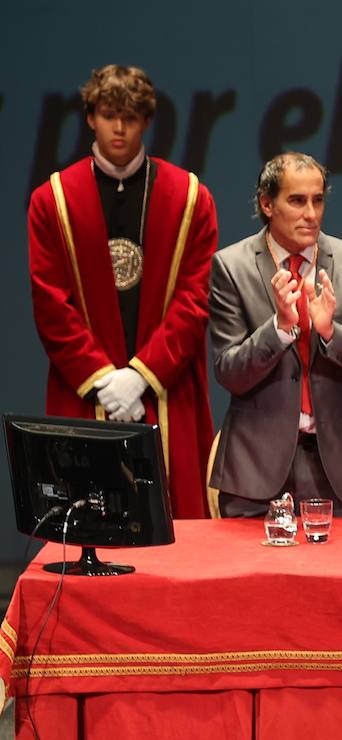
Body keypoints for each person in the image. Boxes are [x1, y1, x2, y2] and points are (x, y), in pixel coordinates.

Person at [27, 64, 218, 518]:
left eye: (130, 117)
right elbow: (51, 303)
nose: (119, 127)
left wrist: (141, 376)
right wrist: (104, 378)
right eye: (109, 114)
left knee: (179, 536)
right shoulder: (51, 201)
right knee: (87, 526)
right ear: (90, 117)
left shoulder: (190, 197)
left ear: (147, 121)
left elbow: (195, 300)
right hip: (88, 390)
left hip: (166, 388)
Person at [208, 152, 342, 517]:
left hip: (337, 471)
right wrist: (278, 330)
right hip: (254, 472)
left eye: (318, 200)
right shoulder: (231, 267)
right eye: (297, 201)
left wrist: (331, 331)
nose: (311, 214)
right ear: (267, 203)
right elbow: (229, 372)